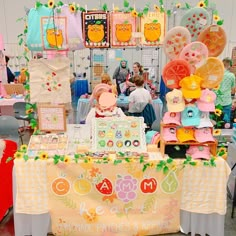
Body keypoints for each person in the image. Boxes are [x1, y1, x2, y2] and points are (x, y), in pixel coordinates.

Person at [216, 57, 236, 125]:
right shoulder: (232, 75)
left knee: (216, 119)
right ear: (229, 65)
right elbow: (233, 87)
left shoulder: (217, 74)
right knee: (226, 121)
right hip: (227, 100)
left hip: (217, 100)